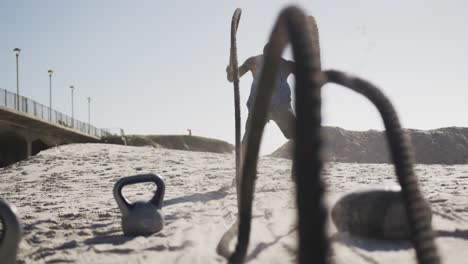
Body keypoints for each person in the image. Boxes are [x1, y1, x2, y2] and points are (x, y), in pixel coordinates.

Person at [226, 43, 296, 145]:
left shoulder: (285, 64)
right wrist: (230, 70)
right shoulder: (255, 62)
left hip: (276, 107)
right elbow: (232, 78)